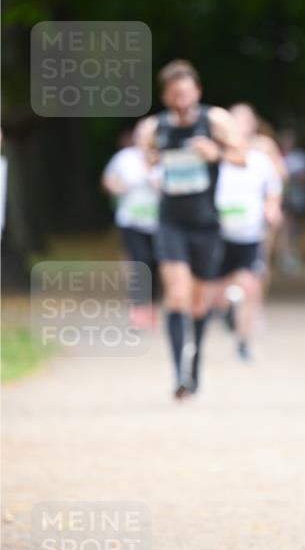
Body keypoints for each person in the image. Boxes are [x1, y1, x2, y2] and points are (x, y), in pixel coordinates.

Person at [136, 60, 246, 399]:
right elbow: (145, 160)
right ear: (165, 96)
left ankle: (194, 366)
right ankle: (178, 374)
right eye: (174, 93)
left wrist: (216, 152)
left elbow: (242, 156)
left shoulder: (215, 120)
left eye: (186, 92)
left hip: (206, 224)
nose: (181, 98)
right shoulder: (154, 126)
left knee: (199, 303)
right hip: (171, 222)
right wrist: (152, 164)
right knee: (177, 294)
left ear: (197, 91)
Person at [213, 104, 284, 361]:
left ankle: (243, 341)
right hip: (218, 233)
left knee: (250, 284)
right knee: (217, 291)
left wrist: (272, 209)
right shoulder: (213, 155)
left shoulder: (262, 156)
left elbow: (275, 187)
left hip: (250, 233)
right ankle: (225, 310)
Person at [101, 128, 161, 329]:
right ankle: (138, 309)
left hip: (158, 222)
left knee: (155, 264)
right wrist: (118, 188)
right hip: (131, 220)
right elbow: (108, 180)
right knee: (140, 262)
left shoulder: (164, 156)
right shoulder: (125, 158)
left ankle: (151, 306)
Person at [277, 128, 305, 275]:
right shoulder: (275, 155)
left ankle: (293, 252)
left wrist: (298, 177)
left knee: (297, 229)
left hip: (299, 199)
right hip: (282, 199)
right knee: (285, 227)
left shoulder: (301, 157)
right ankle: (286, 257)